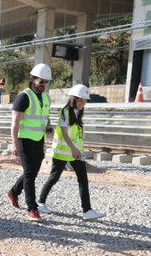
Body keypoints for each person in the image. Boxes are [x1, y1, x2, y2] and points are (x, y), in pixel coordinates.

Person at [36, 84, 106, 220]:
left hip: (75, 153)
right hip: (62, 152)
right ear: (73, 99)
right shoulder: (66, 112)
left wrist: (79, 151)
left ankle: (87, 210)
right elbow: (64, 133)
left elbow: (76, 136)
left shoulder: (78, 113)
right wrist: (74, 149)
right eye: (80, 101)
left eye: (85, 101)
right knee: (54, 177)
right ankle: (41, 202)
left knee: (83, 180)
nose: (83, 104)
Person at [6, 63, 54, 221]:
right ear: (32, 79)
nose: (44, 85)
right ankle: (32, 208)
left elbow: (44, 116)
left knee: (32, 173)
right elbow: (15, 122)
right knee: (29, 174)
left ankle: (13, 192)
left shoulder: (45, 97)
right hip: (24, 140)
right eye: (41, 81)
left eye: (46, 82)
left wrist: (48, 127)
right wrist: (14, 144)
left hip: (39, 140)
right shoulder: (23, 97)